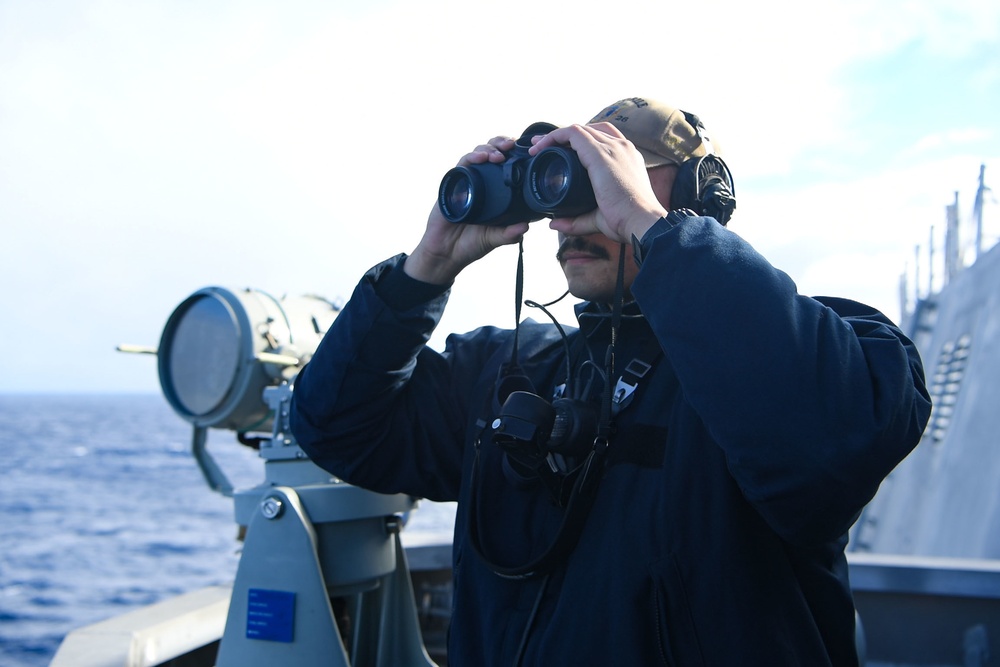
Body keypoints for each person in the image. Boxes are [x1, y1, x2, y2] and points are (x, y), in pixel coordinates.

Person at [290, 97, 931, 666]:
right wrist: (424, 267)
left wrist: (651, 229)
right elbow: (335, 425)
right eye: (563, 183)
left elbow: (832, 446)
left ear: (697, 199)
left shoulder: (813, 349)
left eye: (607, 177)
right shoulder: (508, 371)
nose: (573, 215)